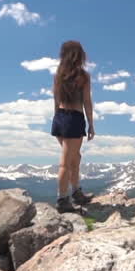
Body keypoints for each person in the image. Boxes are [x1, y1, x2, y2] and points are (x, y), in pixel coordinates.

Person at [50, 40, 95, 213]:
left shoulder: (58, 75)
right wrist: (91, 124)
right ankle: (62, 200)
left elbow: (56, 100)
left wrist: (56, 118)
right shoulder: (83, 76)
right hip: (74, 119)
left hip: (60, 118)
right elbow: (87, 101)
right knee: (66, 163)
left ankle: (76, 193)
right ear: (79, 55)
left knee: (75, 157)